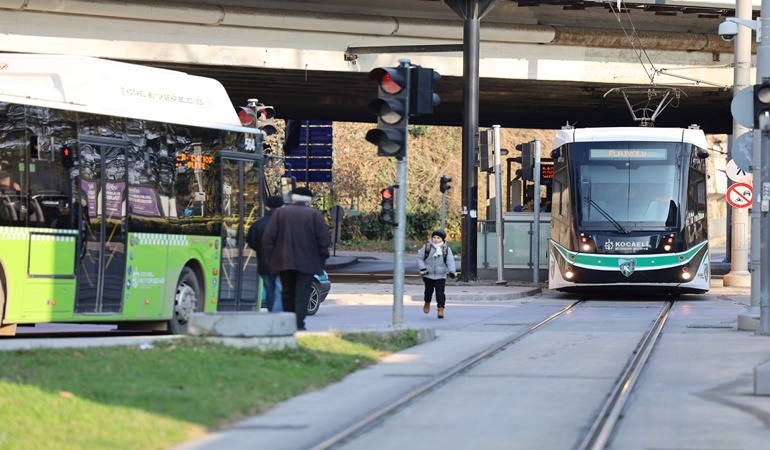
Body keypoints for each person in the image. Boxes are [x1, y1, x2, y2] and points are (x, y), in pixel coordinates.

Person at [262, 187, 330, 331]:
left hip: (284, 262)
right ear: (308, 200)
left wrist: (272, 258)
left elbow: (268, 238)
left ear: (293, 198)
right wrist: (321, 259)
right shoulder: (314, 215)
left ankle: (288, 321)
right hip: (308, 263)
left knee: (287, 292)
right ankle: (298, 323)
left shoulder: (280, 213)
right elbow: (323, 240)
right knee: (302, 293)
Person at [246, 195, 284, 312]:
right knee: (280, 290)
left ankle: (271, 312)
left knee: (269, 290)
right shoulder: (287, 223)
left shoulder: (258, 224)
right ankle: (278, 316)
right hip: (283, 263)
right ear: (282, 207)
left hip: (264, 263)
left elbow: (251, 242)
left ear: (266, 207)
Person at [417, 229, 457, 319]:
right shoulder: (427, 247)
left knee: (440, 293)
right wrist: (423, 268)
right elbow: (419, 257)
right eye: (434, 237)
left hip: (440, 275)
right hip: (428, 274)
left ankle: (441, 309)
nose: (435, 239)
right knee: (428, 292)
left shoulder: (446, 249)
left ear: (442, 239)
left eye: (438, 238)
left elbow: (450, 261)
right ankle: (427, 302)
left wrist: (452, 271)